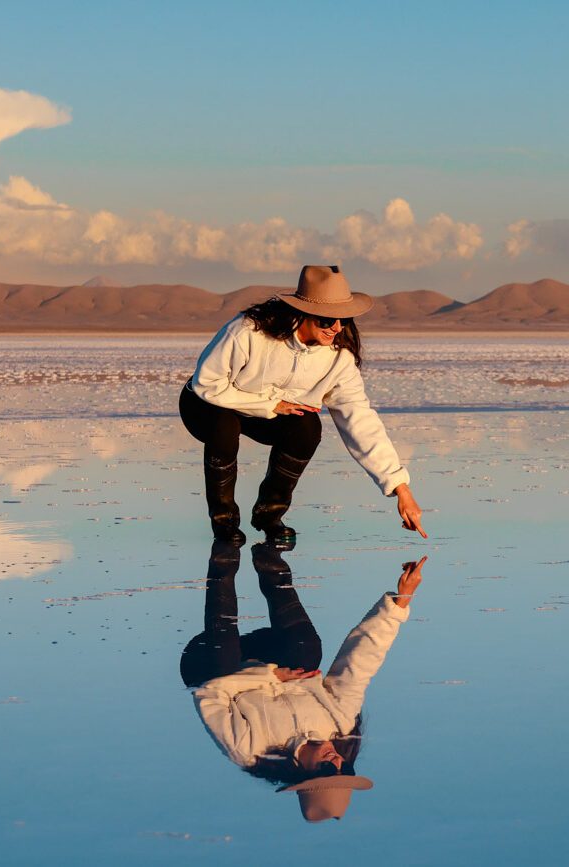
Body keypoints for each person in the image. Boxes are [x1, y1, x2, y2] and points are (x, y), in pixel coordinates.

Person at [179, 264, 426, 544]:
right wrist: (270, 405)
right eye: (326, 320)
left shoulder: (338, 359)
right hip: (204, 404)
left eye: (343, 320)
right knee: (224, 426)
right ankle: (224, 522)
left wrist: (400, 487)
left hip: (264, 413)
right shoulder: (249, 331)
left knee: (306, 426)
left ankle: (269, 514)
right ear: (301, 313)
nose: (336, 328)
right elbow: (206, 384)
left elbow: (360, 420)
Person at [183, 544, 426, 823]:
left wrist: (270, 678)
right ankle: (270, 553)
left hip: (208, 660)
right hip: (262, 649)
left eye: (326, 770)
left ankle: (224, 555)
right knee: (307, 653)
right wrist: (399, 603)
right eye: (344, 768)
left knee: (221, 664)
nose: (335, 760)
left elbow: (208, 693)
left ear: (303, 774)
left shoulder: (251, 752)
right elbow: (359, 665)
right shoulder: (340, 727)